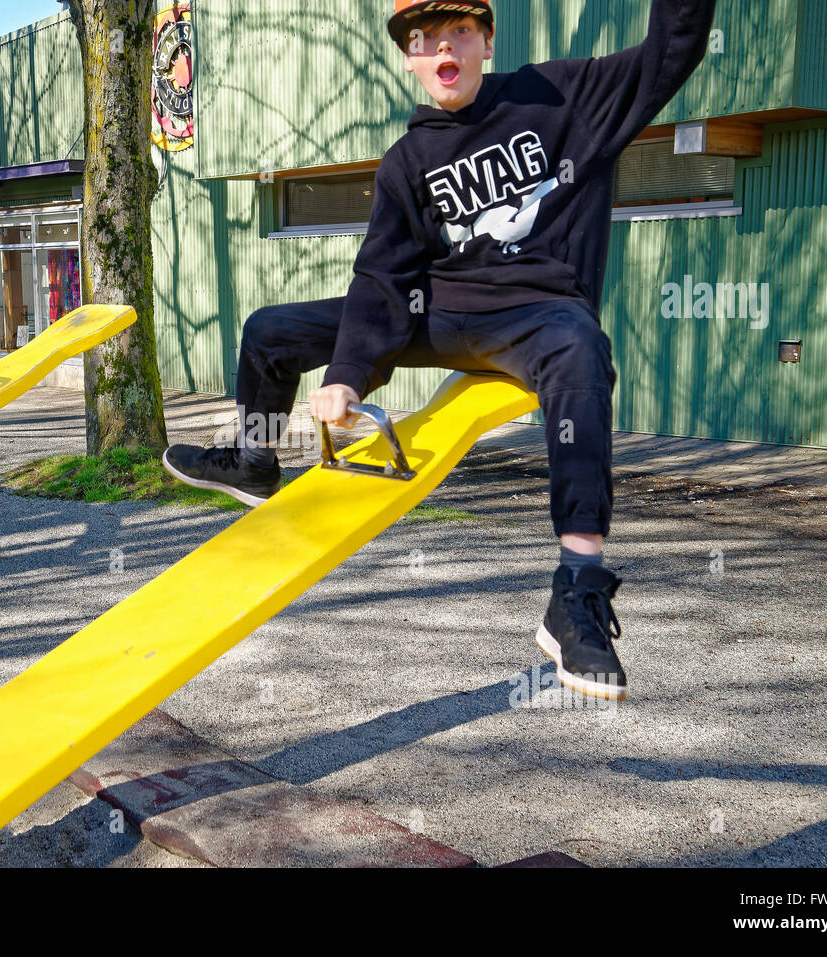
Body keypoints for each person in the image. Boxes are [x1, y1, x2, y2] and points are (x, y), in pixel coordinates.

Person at [163, 0, 717, 700]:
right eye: (423, 39)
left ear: (486, 38)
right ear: (410, 59)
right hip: (439, 312)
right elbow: (381, 277)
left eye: (457, 30)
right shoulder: (408, 160)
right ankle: (253, 458)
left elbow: (671, 52)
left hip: (539, 314)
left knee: (582, 349)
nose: (441, 47)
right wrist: (347, 375)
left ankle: (575, 590)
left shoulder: (560, 97)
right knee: (269, 331)